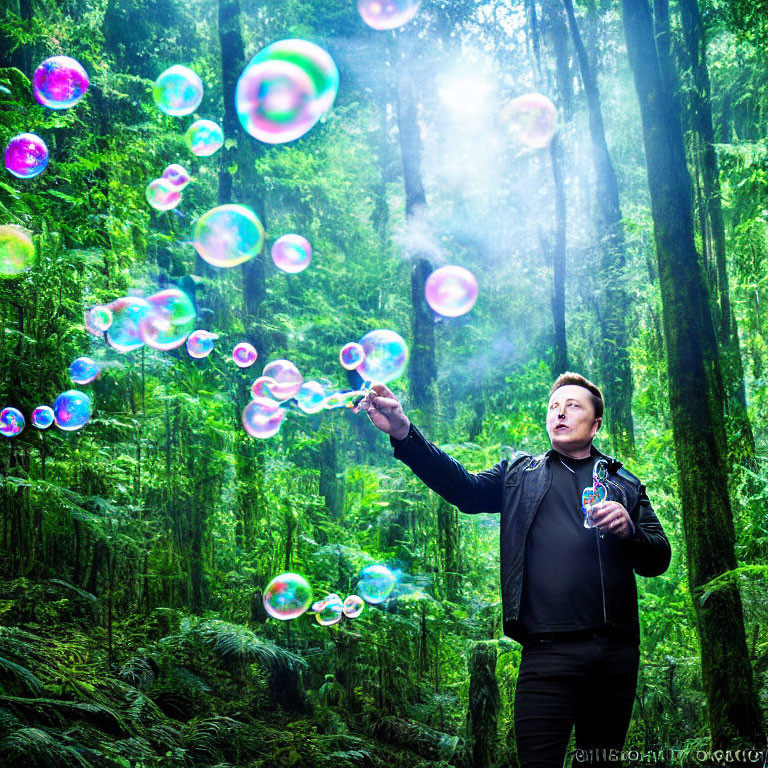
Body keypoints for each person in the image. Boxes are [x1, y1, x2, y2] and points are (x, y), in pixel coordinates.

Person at [359, 371, 671, 768]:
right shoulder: (518, 474)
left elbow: (658, 557)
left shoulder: (624, 483)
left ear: (595, 425)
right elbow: (465, 491)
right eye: (554, 407)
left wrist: (630, 530)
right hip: (546, 653)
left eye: (573, 406)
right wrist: (404, 432)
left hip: (614, 655)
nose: (560, 413)